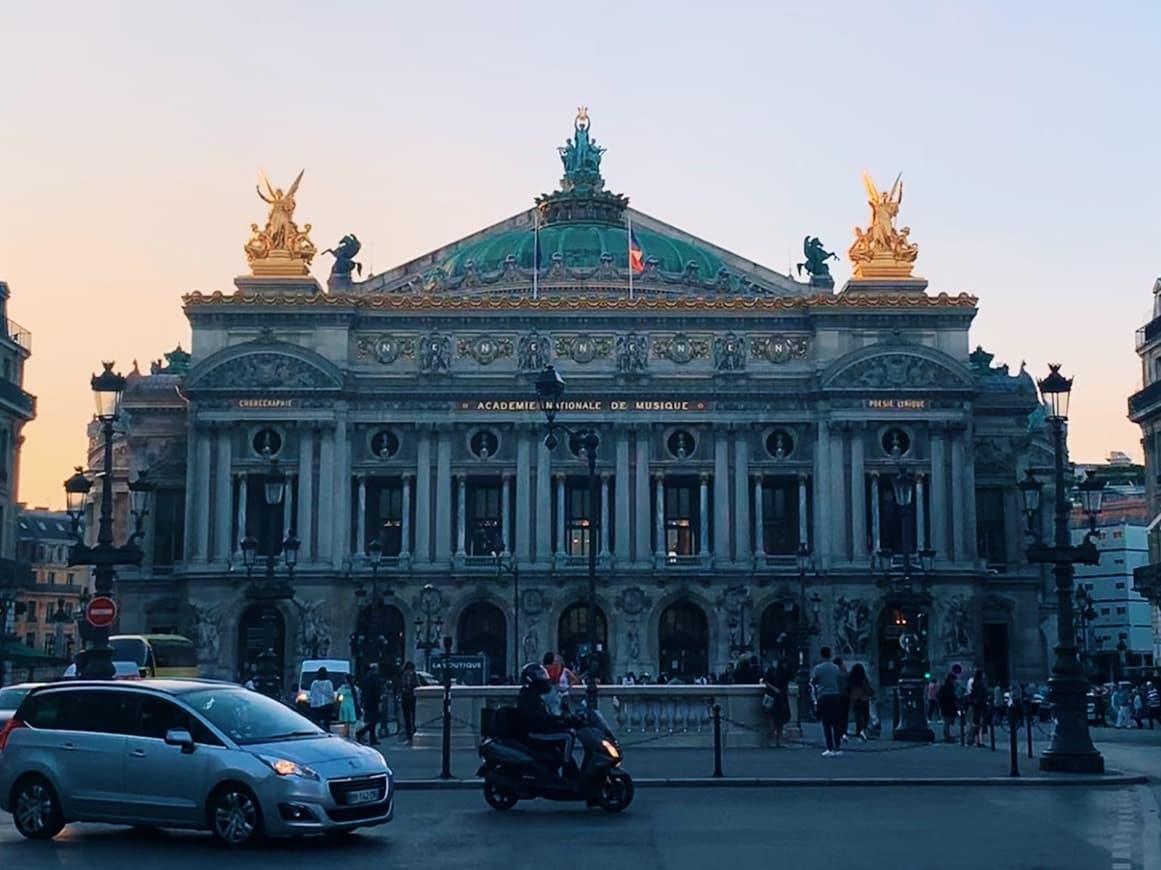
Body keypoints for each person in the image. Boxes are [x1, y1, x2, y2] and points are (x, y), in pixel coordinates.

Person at [516, 663, 576, 777]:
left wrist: (560, 719)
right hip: (534, 731)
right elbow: (539, 719)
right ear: (531, 678)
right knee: (569, 736)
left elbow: (544, 715)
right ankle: (567, 769)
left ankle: (558, 764)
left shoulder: (532, 693)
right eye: (540, 675)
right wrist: (559, 720)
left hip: (539, 728)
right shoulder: (529, 696)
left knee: (565, 734)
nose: (544, 678)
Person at [811, 646, 844, 756]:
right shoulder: (836, 668)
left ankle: (829, 747)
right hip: (835, 696)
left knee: (826, 723)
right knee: (836, 722)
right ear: (830, 654)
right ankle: (838, 746)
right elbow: (840, 680)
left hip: (824, 696)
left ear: (821, 655)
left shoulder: (818, 668)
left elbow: (814, 681)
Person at [762, 657, 793, 747]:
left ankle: (778, 740)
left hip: (781, 696)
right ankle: (773, 738)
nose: (785, 666)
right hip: (775, 696)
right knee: (774, 718)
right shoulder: (773, 671)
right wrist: (774, 688)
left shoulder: (785, 671)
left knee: (781, 718)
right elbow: (765, 681)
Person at [356, 663, 383, 745]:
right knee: (375, 720)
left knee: (371, 720)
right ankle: (361, 732)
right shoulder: (375, 679)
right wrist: (379, 702)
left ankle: (372, 737)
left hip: (367, 701)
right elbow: (377, 692)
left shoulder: (366, 678)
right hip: (373, 702)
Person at [847, 663, 874, 741]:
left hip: (855, 699)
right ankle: (864, 731)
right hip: (864, 699)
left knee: (858, 716)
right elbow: (867, 688)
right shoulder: (863, 679)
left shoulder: (851, 679)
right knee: (865, 716)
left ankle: (858, 730)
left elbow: (848, 688)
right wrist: (871, 694)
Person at [309, 667, 336, 733]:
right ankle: (327, 732)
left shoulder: (314, 683)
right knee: (327, 722)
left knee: (317, 722)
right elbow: (331, 694)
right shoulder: (329, 683)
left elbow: (312, 694)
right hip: (327, 704)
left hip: (316, 705)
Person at [967, 670, 988, 746]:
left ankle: (975, 740)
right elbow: (981, 695)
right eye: (983, 674)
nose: (984, 676)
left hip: (976, 706)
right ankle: (979, 741)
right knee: (979, 724)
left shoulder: (975, 684)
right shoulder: (980, 685)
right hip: (980, 706)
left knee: (976, 723)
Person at [937, 673, 959, 742]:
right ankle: (947, 737)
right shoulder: (949, 687)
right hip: (948, 706)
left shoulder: (945, 686)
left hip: (946, 706)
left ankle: (947, 736)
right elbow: (951, 697)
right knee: (947, 722)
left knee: (947, 721)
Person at [400, 662, 419, 740]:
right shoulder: (402, 677)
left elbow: (418, 685)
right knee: (407, 718)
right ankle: (408, 735)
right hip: (405, 698)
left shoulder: (416, 676)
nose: (408, 672)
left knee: (414, 717)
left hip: (413, 698)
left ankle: (414, 732)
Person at [834, 657, 851, 744]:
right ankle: (844, 731)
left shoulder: (834, 674)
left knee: (837, 715)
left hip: (836, 695)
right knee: (845, 715)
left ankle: (838, 731)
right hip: (845, 696)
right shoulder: (845, 674)